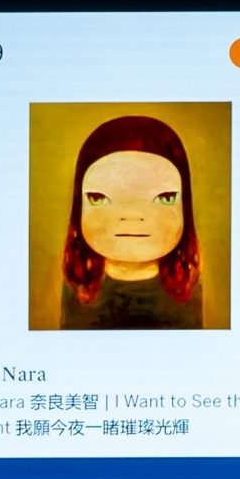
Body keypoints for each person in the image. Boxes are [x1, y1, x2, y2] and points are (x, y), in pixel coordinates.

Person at [59, 115, 206, 330]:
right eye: (98, 198)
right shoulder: (79, 284)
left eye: (165, 197)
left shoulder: (188, 285)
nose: (132, 216)